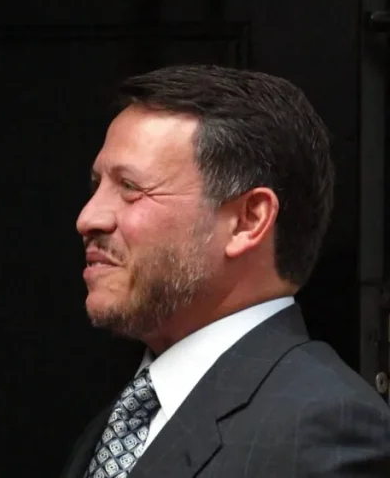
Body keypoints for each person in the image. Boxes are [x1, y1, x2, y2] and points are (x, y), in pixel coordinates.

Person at [61, 64, 390, 478]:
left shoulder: (325, 429)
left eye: (130, 188)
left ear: (247, 221)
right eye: (97, 186)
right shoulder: (128, 417)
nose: (88, 218)